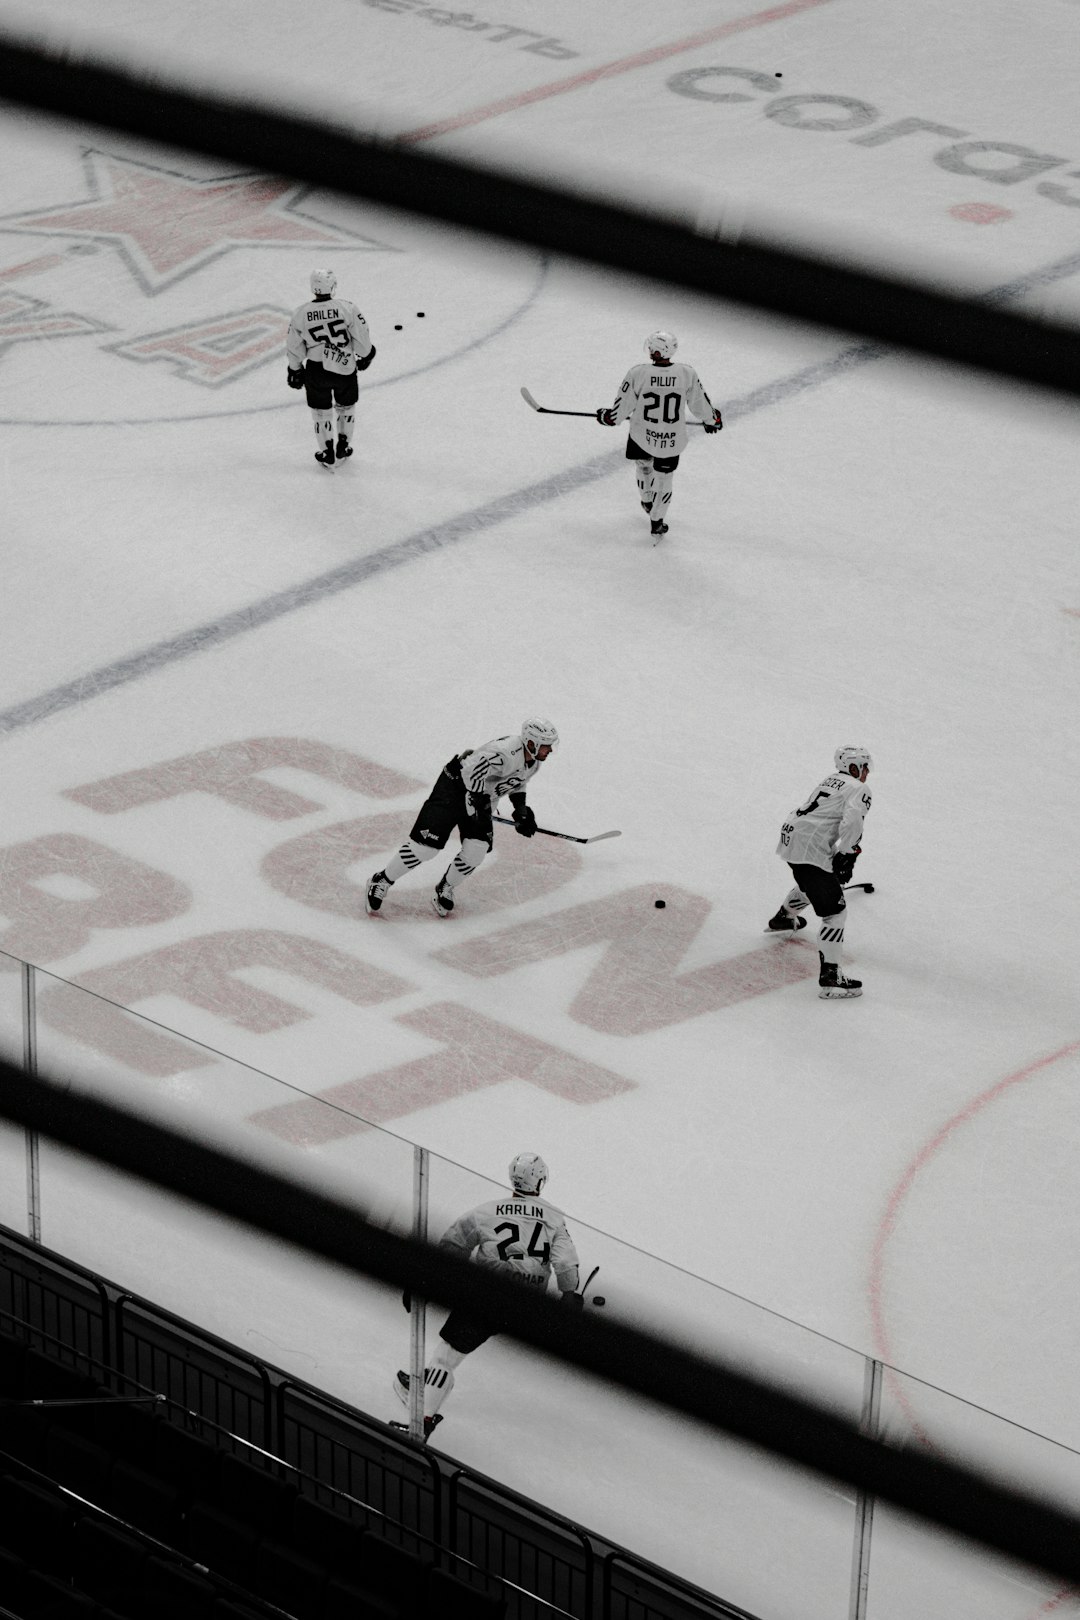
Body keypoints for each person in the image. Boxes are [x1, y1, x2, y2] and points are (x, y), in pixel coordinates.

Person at [393, 1152, 582, 1440]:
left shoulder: (486, 1211)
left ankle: (422, 1421)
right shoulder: (554, 1218)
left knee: (447, 1357)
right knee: (448, 1356)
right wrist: (569, 1294)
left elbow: (453, 1244)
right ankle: (426, 1386)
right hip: (526, 1303)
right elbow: (566, 1264)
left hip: (487, 1296)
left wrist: (426, 1281)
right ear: (541, 1182)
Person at [366, 719, 558, 918]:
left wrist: (521, 810)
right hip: (454, 789)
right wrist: (478, 800)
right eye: (546, 745)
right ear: (531, 743)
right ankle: (381, 880)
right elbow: (470, 771)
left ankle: (445, 887)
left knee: (477, 850)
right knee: (425, 848)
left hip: (480, 799)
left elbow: (518, 782)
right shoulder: (504, 753)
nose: (550, 750)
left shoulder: (533, 762)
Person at [767, 746, 873, 999]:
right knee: (835, 912)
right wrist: (847, 854)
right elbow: (853, 820)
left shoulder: (832, 780)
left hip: (791, 836)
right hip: (810, 846)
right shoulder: (859, 788)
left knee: (813, 882)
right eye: (865, 766)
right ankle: (831, 978)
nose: (868, 772)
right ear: (855, 767)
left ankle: (784, 917)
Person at [596, 331, 722, 540]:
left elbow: (620, 409)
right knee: (664, 479)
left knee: (643, 465)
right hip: (671, 439)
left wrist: (607, 417)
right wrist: (712, 421)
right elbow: (700, 402)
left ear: (655, 350)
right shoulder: (686, 373)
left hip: (641, 434)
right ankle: (657, 522)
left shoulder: (638, 373)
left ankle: (646, 500)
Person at [286, 268, 375, 469]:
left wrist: (295, 369)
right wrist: (367, 355)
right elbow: (361, 338)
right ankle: (343, 446)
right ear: (333, 286)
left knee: (320, 411)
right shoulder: (348, 308)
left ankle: (327, 452)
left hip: (316, 370)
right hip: (345, 366)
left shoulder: (300, 313)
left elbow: (294, 346)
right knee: (346, 407)